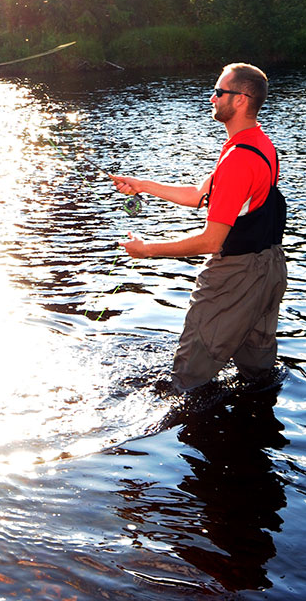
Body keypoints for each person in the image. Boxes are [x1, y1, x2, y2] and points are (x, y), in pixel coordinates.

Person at [111, 63, 287, 392]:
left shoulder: (238, 158)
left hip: (235, 278)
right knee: (258, 374)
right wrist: (142, 185)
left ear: (241, 100)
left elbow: (211, 241)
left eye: (219, 92)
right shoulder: (258, 145)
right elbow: (198, 195)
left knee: (185, 381)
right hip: (271, 269)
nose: (212, 98)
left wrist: (147, 250)